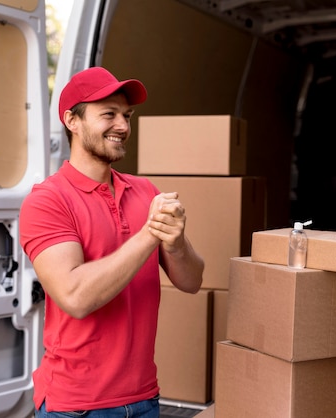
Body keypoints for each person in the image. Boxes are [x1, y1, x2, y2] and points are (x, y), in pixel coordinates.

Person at [19, 66, 205, 417]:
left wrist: (176, 243)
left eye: (127, 115)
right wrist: (150, 233)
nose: (123, 126)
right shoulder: (48, 201)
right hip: (77, 406)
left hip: (145, 398)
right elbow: (75, 297)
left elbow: (192, 281)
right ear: (72, 121)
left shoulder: (145, 191)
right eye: (109, 114)